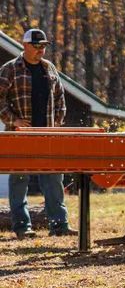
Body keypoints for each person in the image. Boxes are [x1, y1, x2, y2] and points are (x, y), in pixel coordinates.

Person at [0, 29, 76, 239]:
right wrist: (13, 120)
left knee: (53, 180)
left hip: (47, 135)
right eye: (36, 46)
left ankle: (59, 225)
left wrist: (57, 124)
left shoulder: (49, 68)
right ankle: (22, 227)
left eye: (43, 46)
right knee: (19, 180)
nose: (40, 50)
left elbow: (60, 98)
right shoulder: (10, 69)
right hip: (20, 135)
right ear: (24, 45)